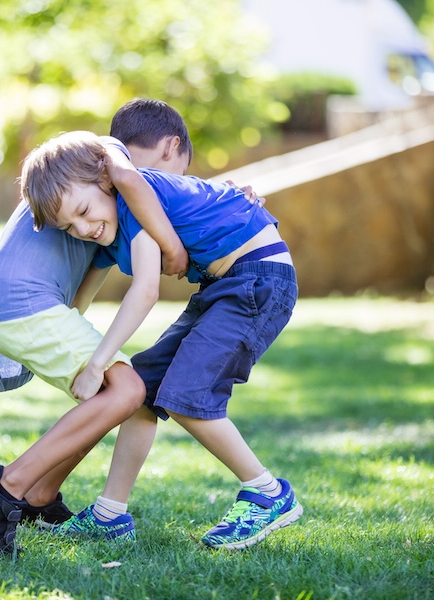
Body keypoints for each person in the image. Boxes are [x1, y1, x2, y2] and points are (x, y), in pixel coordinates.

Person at [22, 130, 303, 551]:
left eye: (83, 211)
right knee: (141, 390)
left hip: (258, 279)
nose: (83, 228)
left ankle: (267, 492)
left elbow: (145, 291)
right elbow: (74, 307)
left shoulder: (133, 197)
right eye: (69, 227)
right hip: (222, 287)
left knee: (186, 394)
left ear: (106, 182)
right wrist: (25, 359)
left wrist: (97, 364)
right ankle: (109, 514)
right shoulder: (109, 228)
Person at [0, 99, 194, 555]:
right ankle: (4, 488)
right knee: (127, 389)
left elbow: (74, 305)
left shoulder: (98, 208)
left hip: (15, 308)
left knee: (111, 395)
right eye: (72, 223)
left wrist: (21, 363)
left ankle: (40, 495)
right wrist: (173, 249)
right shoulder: (103, 156)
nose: (83, 228)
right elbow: (134, 183)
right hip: (22, 303)